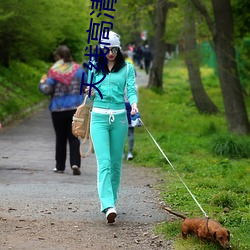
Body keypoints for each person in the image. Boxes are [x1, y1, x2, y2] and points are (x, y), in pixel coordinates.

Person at [86, 31, 138, 223]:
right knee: (105, 162)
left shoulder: (127, 68)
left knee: (116, 164)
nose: (111, 53)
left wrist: (134, 104)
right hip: (98, 118)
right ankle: (108, 205)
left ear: (119, 49)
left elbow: (131, 90)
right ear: (101, 49)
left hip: (120, 119)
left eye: (114, 49)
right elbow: (90, 92)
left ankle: (112, 201)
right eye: (107, 49)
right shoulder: (93, 65)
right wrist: (89, 90)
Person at [39, 45, 87, 175]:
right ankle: (75, 163)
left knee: (60, 138)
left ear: (58, 57)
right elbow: (86, 88)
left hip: (58, 109)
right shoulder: (79, 70)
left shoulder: (54, 71)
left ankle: (60, 167)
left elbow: (47, 90)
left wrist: (42, 83)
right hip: (75, 109)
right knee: (74, 136)